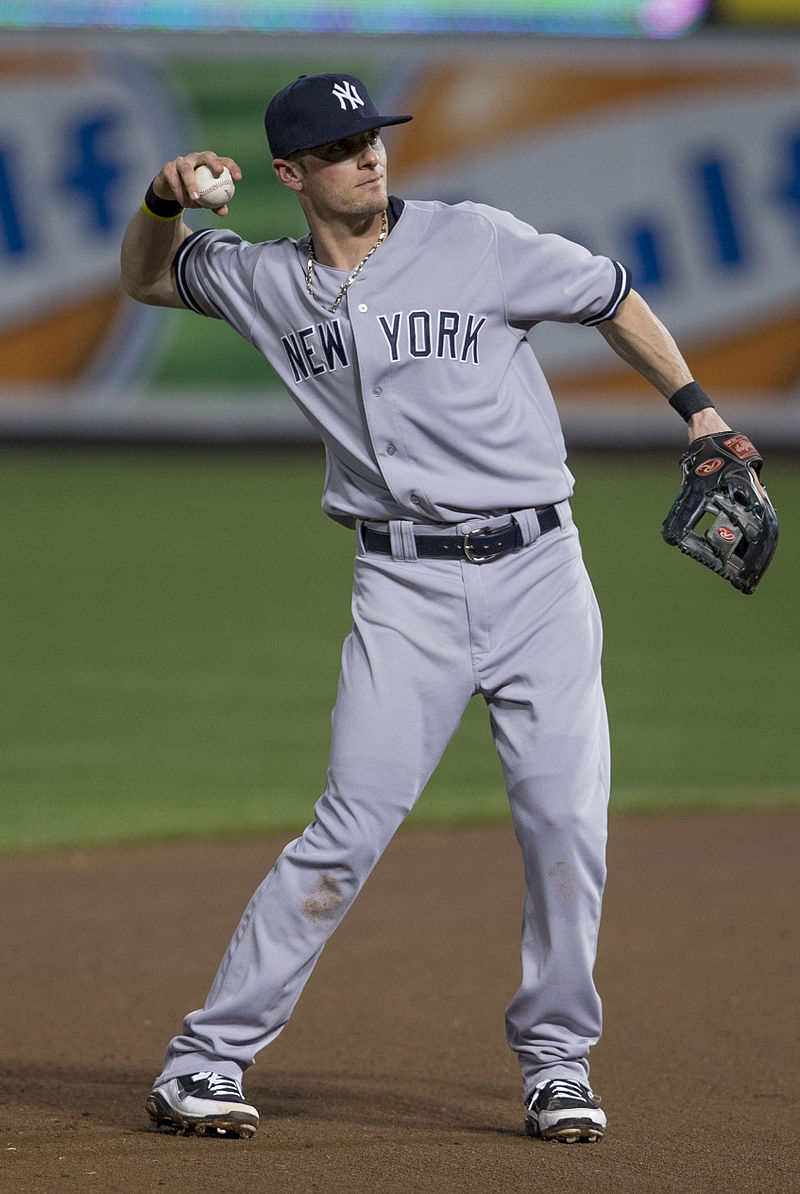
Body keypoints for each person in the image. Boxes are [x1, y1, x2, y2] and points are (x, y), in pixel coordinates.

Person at [120, 72, 731, 1143]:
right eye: (342, 144)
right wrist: (161, 201)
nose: (369, 154)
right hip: (400, 585)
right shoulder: (262, 280)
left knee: (562, 824)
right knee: (346, 827)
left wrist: (700, 414)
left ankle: (556, 1063)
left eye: (373, 136)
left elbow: (609, 295)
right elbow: (146, 281)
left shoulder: (477, 239)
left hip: (539, 573)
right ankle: (206, 1059)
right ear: (290, 173)